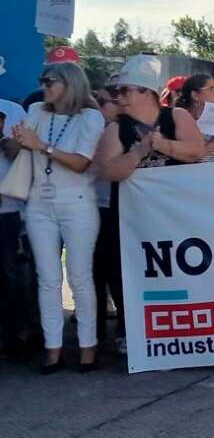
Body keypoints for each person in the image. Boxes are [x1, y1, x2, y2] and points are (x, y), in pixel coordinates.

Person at [94, 57, 206, 355]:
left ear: (146, 92)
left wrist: (163, 145)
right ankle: (131, 329)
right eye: (117, 91)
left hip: (176, 217)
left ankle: (186, 330)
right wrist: (140, 151)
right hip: (133, 220)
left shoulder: (176, 117)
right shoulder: (117, 129)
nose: (119, 96)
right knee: (129, 273)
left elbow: (196, 151)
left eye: (125, 90)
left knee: (182, 270)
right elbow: (106, 170)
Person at [8, 62, 105, 373]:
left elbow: (81, 163)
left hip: (76, 203)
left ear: (69, 83)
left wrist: (43, 146)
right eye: (43, 80)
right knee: (48, 279)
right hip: (39, 203)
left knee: (80, 276)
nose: (44, 86)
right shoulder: (36, 110)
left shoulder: (90, 116)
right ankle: (53, 349)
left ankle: (88, 347)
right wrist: (16, 141)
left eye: (49, 81)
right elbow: (17, 151)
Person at [0, 95, 37, 361]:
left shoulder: (11, 110)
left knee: (10, 276)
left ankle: (15, 338)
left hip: (8, 210)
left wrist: (8, 143)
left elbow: (25, 155)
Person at [91, 88, 122, 353]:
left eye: (103, 102)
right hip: (90, 207)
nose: (98, 107)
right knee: (94, 274)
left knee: (118, 274)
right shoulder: (90, 127)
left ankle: (124, 330)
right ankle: (95, 333)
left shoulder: (124, 130)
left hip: (117, 209)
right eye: (95, 102)